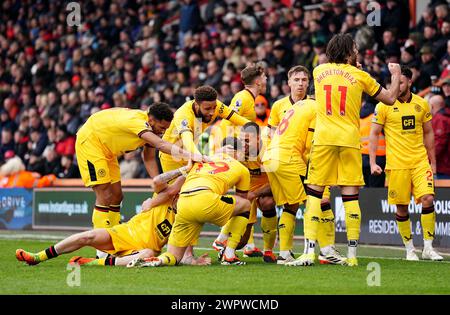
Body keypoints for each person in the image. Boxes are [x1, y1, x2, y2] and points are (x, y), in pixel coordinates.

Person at [289, 33, 401, 267]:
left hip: (324, 138)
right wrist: (396, 74)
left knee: (314, 194)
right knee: (350, 196)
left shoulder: (319, 72)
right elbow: (390, 98)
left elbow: (336, 76)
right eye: (356, 49)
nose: (358, 51)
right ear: (349, 52)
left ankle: (309, 252)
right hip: (349, 139)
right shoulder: (361, 76)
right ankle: (351, 256)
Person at [15, 162, 211, 267]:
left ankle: (94, 263)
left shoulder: (188, 218)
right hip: (123, 234)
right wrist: (183, 170)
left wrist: (193, 259)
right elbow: (158, 181)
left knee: (149, 254)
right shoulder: (163, 197)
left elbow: (182, 251)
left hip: (141, 251)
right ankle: (38, 257)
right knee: (88, 236)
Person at [75, 102, 205, 258]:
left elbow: (149, 158)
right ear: (151, 120)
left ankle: (114, 237)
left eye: (165, 128)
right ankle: (102, 251)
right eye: (161, 127)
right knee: (105, 195)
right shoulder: (138, 123)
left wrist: (160, 184)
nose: (163, 132)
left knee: (117, 196)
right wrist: (191, 155)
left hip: (108, 150)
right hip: (91, 142)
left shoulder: (151, 130)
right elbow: (161, 145)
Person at [130, 139, 252, 267]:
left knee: (174, 256)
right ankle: (229, 254)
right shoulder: (241, 168)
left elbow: (167, 188)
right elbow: (242, 200)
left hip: (183, 204)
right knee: (246, 205)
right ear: (236, 153)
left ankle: (156, 261)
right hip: (206, 199)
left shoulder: (200, 160)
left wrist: (152, 202)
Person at [369, 66, 443, 261]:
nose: (396, 85)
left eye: (400, 82)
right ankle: (410, 249)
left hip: (420, 162)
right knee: (402, 208)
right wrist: (373, 162)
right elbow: (374, 134)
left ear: (409, 82)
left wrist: (432, 162)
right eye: (393, 82)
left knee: (428, 199)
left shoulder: (421, 104)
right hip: (397, 165)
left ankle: (428, 247)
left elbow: (429, 133)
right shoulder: (383, 105)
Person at [212, 123, 277, 263]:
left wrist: (255, 194)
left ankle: (269, 251)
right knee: (242, 240)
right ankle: (225, 246)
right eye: (242, 140)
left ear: (258, 138)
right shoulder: (238, 151)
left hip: (266, 188)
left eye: (247, 141)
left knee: (268, 203)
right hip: (246, 190)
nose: (244, 144)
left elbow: (277, 183)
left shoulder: (268, 152)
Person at [159, 85, 249, 174]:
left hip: (191, 153)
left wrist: (258, 131)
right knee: (176, 188)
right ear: (197, 105)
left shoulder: (214, 105)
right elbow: (187, 139)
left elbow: (238, 119)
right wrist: (199, 157)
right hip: (172, 156)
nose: (212, 112)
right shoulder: (183, 115)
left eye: (214, 107)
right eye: (207, 109)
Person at [268, 65, 310, 138]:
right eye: (296, 80)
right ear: (289, 83)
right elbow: (272, 130)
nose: (300, 83)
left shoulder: (314, 104)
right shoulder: (278, 105)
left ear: (308, 83)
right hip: (284, 148)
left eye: (304, 80)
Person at [429, 94, 450, 178]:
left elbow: (439, 143)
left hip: (443, 167)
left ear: (432, 106)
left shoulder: (439, 119)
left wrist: (428, 159)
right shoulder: (446, 116)